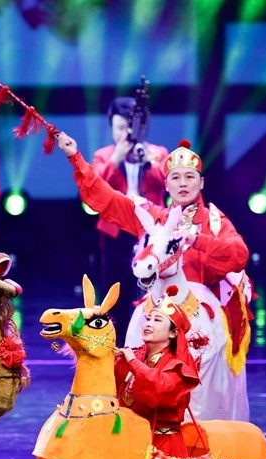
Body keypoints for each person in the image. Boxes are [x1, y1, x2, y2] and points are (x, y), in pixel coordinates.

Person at [55, 132, 249, 291]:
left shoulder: (213, 220)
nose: (183, 183)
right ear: (166, 185)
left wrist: (198, 240)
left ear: (201, 183)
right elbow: (108, 197)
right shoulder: (153, 218)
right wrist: (75, 156)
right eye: (175, 178)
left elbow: (239, 254)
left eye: (190, 177)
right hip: (160, 311)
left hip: (203, 310)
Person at [92, 97, 169, 322]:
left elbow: (167, 182)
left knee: (152, 290)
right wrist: (115, 160)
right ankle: (114, 338)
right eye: (119, 128)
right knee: (115, 291)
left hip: (151, 231)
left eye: (130, 128)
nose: (126, 134)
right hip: (116, 232)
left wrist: (147, 162)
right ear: (111, 128)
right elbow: (94, 188)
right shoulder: (103, 156)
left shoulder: (157, 153)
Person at [115, 293, 200, 458]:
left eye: (157, 320)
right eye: (148, 318)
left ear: (173, 333)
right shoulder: (136, 356)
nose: (148, 323)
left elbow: (160, 389)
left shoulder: (178, 366)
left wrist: (133, 362)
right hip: (131, 442)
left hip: (163, 448)